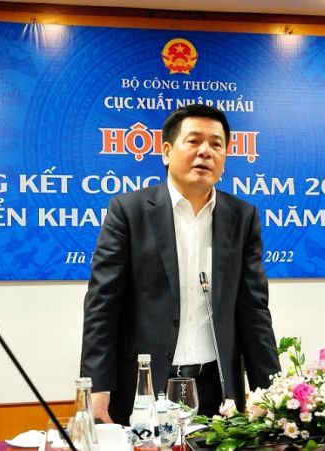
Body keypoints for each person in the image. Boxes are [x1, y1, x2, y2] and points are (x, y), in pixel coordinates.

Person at [80, 104, 280, 425]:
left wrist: (269, 392)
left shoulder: (242, 217)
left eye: (216, 144)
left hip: (216, 389)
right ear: (166, 152)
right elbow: (102, 306)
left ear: (225, 157)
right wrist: (98, 385)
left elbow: (254, 311)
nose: (205, 152)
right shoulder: (129, 211)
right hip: (144, 387)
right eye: (194, 141)